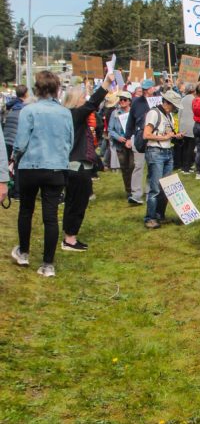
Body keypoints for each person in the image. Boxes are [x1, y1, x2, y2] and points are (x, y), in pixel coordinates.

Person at [11, 70, 73, 277]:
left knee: (26, 211)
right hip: (56, 166)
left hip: (30, 165)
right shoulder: (65, 113)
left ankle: (24, 252)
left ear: (37, 89)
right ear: (57, 89)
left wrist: (14, 158)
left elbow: (21, 142)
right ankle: (48, 264)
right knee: (51, 216)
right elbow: (69, 141)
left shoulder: (29, 111)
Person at [61, 74, 115, 251]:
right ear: (75, 101)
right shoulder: (75, 114)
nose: (85, 101)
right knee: (77, 203)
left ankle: (69, 236)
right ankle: (70, 239)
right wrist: (106, 83)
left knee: (73, 202)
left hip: (75, 165)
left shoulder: (70, 115)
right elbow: (93, 102)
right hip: (78, 166)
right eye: (82, 98)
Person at [143, 88, 180, 229]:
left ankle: (159, 215)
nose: (175, 109)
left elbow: (167, 133)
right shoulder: (154, 113)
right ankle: (150, 217)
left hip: (167, 152)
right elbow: (146, 135)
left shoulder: (168, 115)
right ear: (167, 103)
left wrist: (174, 136)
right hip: (155, 152)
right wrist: (164, 137)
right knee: (155, 188)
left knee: (166, 187)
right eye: (174, 106)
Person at [124, 80, 154, 205]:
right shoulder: (136, 102)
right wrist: (127, 138)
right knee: (138, 166)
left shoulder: (157, 101)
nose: (146, 91)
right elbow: (130, 121)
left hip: (153, 138)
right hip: (138, 139)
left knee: (152, 167)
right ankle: (136, 194)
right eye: (144, 89)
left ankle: (149, 192)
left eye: (148, 89)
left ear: (153, 88)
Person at [3, 84, 29, 199]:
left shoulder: (10, 106)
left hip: (6, 138)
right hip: (15, 139)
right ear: (26, 94)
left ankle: (9, 187)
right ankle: (17, 192)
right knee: (18, 166)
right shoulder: (24, 109)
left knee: (8, 165)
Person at [108, 90, 135, 199]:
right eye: (121, 100)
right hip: (120, 145)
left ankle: (135, 189)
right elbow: (111, 129)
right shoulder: (115, 113)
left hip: (132, 143)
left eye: (125, 100)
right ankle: (128, 190)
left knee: (133, 167)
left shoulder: (133, 112)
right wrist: (118, 138)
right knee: (125, 168)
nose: (122, 102)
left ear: (129, 101)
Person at [177, 84, 197, 174]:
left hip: (183, 125)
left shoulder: (183, 99)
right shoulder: (194, 99)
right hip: (191, 125)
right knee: (190, 148)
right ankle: (186, 167)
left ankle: (184, 166)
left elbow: (179, 113)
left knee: (185, 147)